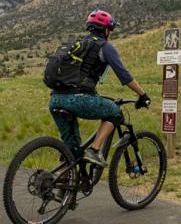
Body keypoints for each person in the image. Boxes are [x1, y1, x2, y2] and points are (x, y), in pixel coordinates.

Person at [49, 9, 150, 167]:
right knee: (115, 113)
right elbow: (124, 76)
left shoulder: (79, 45)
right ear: (106, 30)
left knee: (72, 148)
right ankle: (95, 150)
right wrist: (143, 95)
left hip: (55, 99)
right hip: (79, 99)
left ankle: (62, 182)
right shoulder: (105, 47)